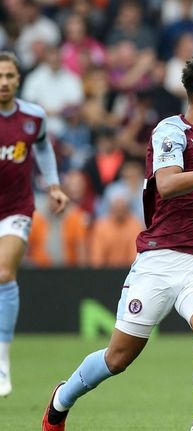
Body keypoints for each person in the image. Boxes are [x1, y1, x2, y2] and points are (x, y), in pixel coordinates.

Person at [42, 55, 193, 431]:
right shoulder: (171, 131)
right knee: (118, 358)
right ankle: (60, 401)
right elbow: (167, 185)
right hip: (159, 260)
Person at [0, 51, 69, 397]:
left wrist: (54, 185)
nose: (4, 82)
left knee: (4, 273)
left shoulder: (33, 116)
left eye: (10, 75)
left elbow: (42, 148)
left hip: (16, 208)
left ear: (18, 79)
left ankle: (1, 361)